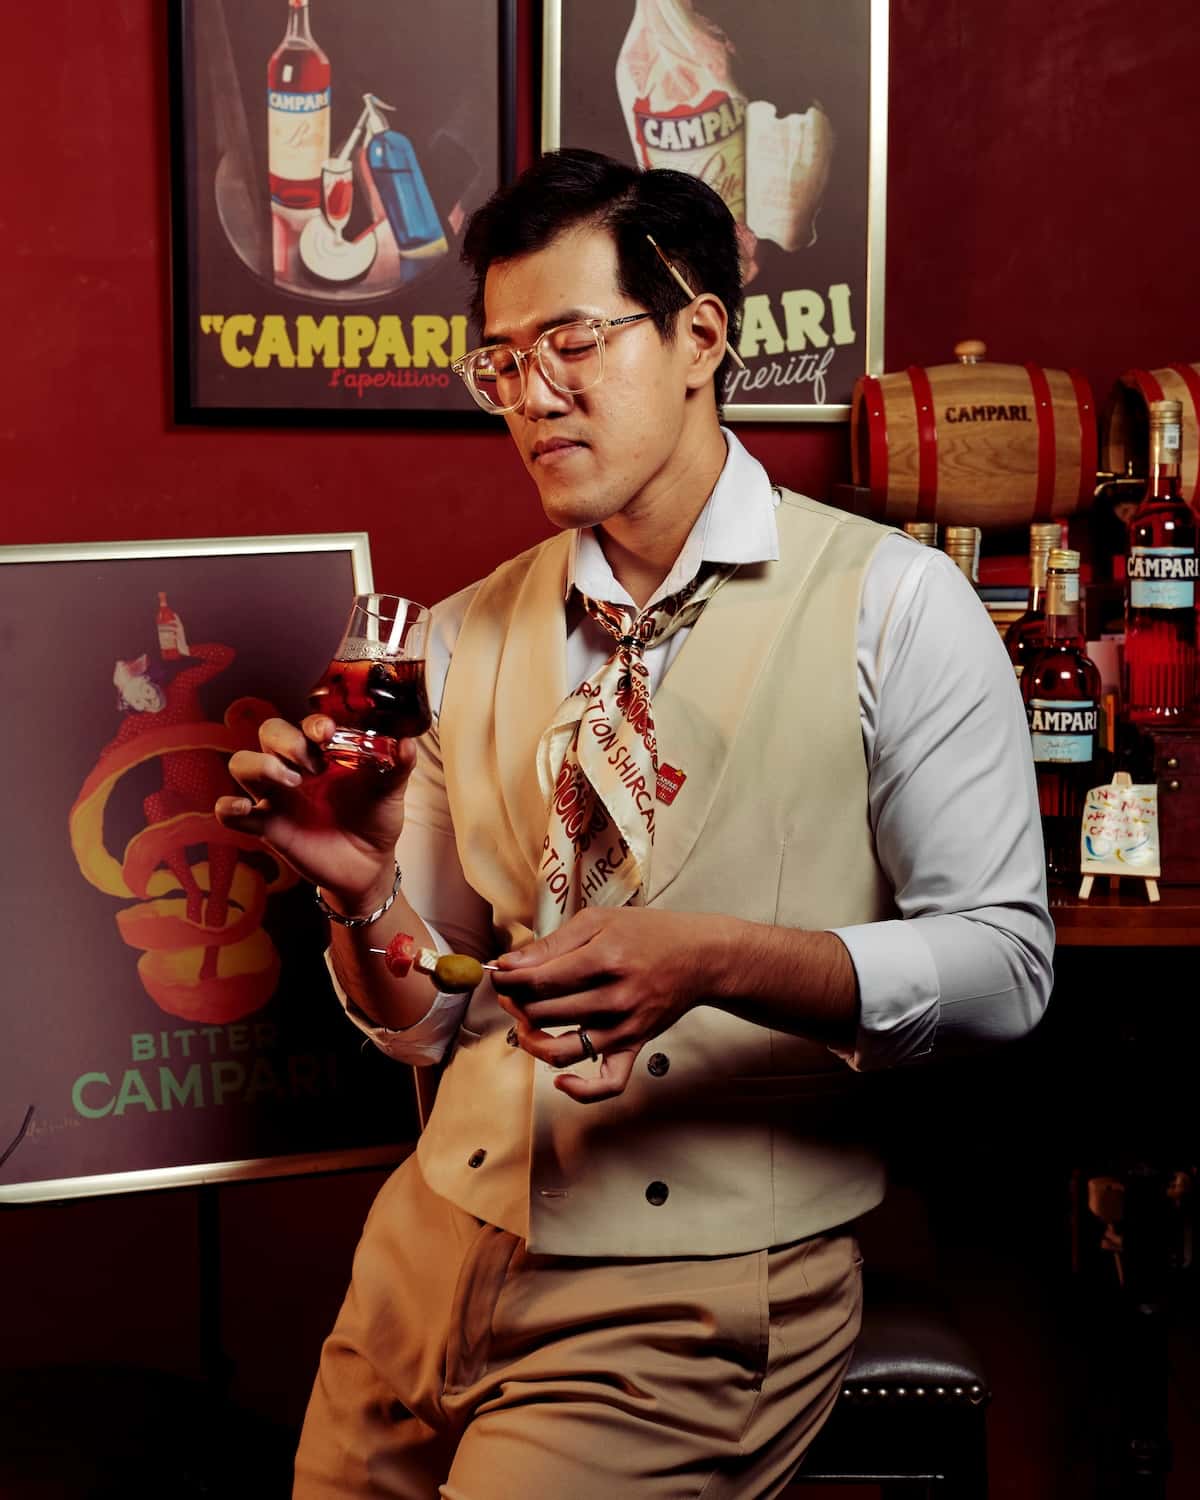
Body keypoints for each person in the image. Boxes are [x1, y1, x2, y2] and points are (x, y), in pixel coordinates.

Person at [216, 149, 1054, 1499]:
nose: (533, 395)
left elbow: (1008, 969)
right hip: (418, 1264)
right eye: (501, 363)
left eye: (572, 342)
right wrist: (360, 886)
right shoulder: (463, 630)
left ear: (699, 336)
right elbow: (428, 1017)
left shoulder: (896, 608)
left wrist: (715, 959)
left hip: (690, 1300)